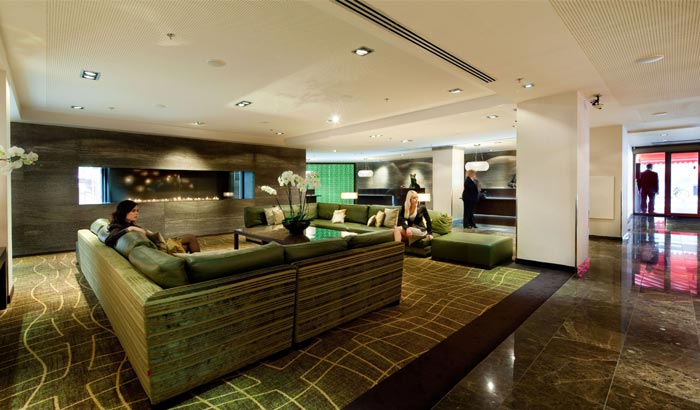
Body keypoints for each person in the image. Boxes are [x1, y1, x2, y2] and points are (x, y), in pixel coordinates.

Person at [105, 200, 201, 253]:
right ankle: (198, 262)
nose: (136, 213)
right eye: (133, 211)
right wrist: (130, 229)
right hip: (160, 248)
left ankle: (196, 262)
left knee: (188, 244)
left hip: (159, 244)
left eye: (137, 211)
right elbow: (108, 240)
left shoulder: (126, 223)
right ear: (124, 211)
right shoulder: (118, 227)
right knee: (191, 238)